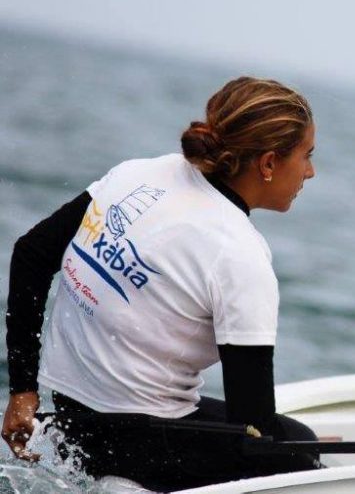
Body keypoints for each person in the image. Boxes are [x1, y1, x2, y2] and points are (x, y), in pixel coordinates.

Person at [2, 77, 320, 491]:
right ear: (269, 163)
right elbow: (254, 429)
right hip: (132, 444)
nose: (311, 172)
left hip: (67, 419)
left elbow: (30, 253)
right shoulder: (240, 253)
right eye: (307, 156)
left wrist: (23, 391)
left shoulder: (139, 173)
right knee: (299, 448)